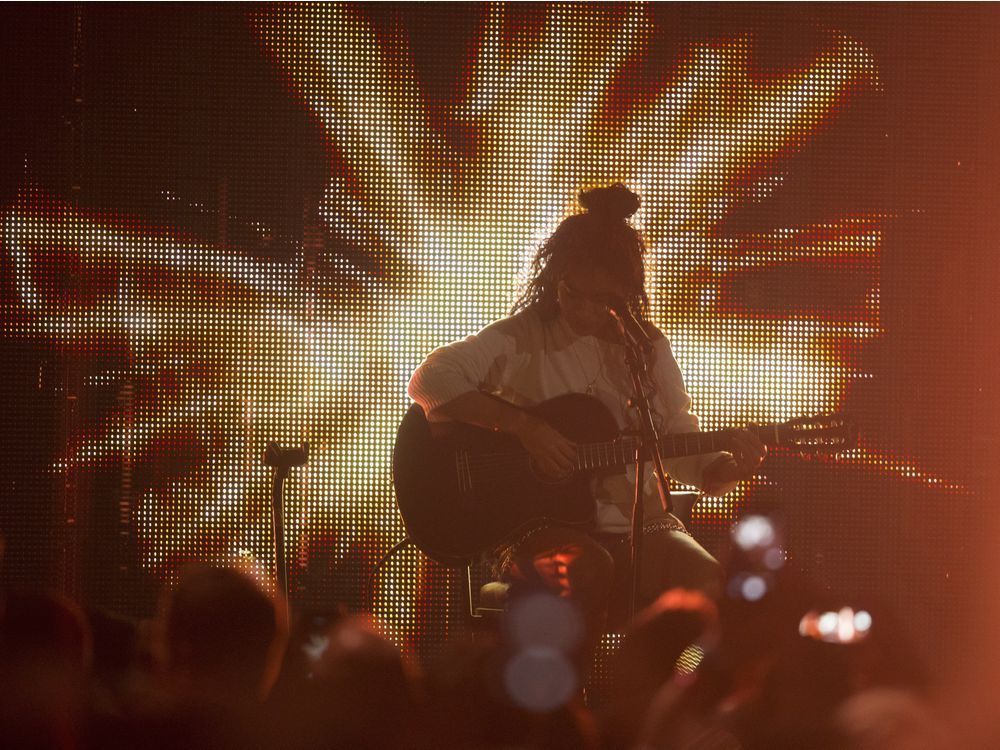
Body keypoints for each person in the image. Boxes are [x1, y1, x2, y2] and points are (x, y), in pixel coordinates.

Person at [406, 183, 766, 664]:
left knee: (713, 588)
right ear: (556, 277)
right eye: (572, 292)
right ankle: (562, 704)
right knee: (588, 567)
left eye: (601, 300)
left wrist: (724, 469)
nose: (582, 308)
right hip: (541, 525)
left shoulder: (647, 349)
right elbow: (431, 380)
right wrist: (525, 428)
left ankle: (659, 699)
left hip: (644, 527)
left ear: (625, 295)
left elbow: (677, 443)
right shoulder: (522, 336)